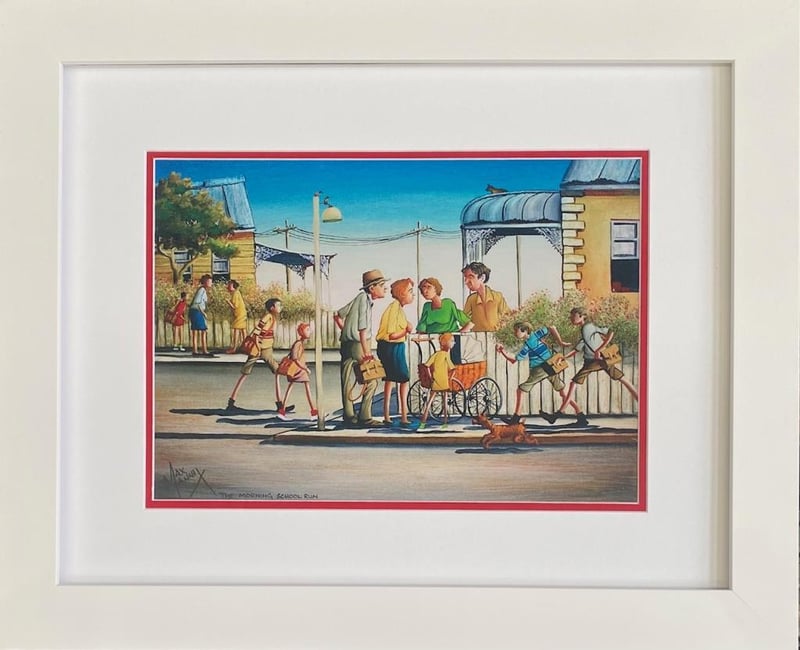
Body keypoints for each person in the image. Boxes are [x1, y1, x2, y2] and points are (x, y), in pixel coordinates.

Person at [541, 307, 639, 424]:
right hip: (593, 361)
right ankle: (570, 417)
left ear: (582, 316)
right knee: (623, 379)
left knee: (574, 384)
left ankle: (557, 415)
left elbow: (611, 331)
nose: (571, 318)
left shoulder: (588, 327)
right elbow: (578, 348)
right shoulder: (584, 330)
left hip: (598, 360)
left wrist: (600, 349)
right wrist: (564, 357)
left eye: (573, 315)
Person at [495, 321, 584, 426]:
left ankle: (516, 418)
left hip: (540, 368)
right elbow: (552, 327)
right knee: (562, 393)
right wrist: (560, 342)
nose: (515, 333)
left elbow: (513, 360)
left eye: (516, 331)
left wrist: (502, 351)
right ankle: (581, 416)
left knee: (521, 390)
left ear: (525, 331)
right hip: (552, 365)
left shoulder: (527, 345)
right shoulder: (537, 335)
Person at [333, 269, 388, 428]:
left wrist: (345, 331)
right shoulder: (364, 300)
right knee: (372, 379)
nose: (384, 288)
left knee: (346, 379)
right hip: (359, 344)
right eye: (382, 285)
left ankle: (349, 415)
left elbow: (337, 315)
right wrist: (367, 352)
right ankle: (365, 416)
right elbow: (362, 329)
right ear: (372, 288)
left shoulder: (359, 298)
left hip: (346, 344)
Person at [226, 298, 285, 412]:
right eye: (278, 305)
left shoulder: (272, 318)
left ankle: (280, 404)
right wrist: (258, 347)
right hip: (259, 349)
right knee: (247, 373)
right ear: (272, 308)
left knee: (274, 372)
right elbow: (256, 333)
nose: (280, 308)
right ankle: (280, 405)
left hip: (266, 349)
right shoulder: (267, 317)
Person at [376, 278, 415, 427]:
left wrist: (405, 328)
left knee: (389, 379)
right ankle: (403, 416)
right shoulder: (394, 308)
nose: (412, 294)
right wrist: (406, 330)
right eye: (410, 291)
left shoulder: (397, 308)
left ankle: (388, 416)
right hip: (392, 347)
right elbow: (392, 335)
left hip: (390, 347)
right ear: (402, 293)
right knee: (403, 379)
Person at [416, 332, 457, 430]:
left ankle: (423, 423)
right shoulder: (446, 355)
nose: (454, 343)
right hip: (444, 382)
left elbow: (426, 366)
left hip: (435, 381)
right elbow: (453, 369)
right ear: (446, 343)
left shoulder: (436, 354)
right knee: (444, 402)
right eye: (452, 341)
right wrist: (450, 378)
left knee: (429, 402)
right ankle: (445, 423)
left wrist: (430, 377)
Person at [277, 322, 318, 419]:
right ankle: (314, 413)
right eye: (307, 330)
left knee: (292, 387)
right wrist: (305, 368)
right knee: (305, 388)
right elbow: (295, 358)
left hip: (298, 369)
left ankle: (282, 412)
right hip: (298, 370)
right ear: (302, 332)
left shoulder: (300, 343)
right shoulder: (298, 343)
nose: (310, 332)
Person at [461, 261, 510, 332]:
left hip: (495, 336)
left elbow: (508, 317)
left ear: (482, 278)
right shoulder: (471, 299)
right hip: (477, 337)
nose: (466, 282)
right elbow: (464, 321)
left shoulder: (497, 297)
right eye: (465, 277)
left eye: (470, 277)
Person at [188, 274, 214, 357]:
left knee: (196, 331)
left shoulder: (202, 290)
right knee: (202, 330)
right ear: (205, 282)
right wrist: (203, 313)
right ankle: (203, 350)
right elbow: (197, 303)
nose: (211, 283)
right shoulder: (202, 290)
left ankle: (196, 350)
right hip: (197, 311)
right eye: (209, 281)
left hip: (195, 311)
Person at [225, 279, 247, 353]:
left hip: (239, 314)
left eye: (229, 285)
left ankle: (234, 348)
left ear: (234, 286)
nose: (228, 287)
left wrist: (228, 302)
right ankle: (245, 348)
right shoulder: (237, 293)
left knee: (236, 330)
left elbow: (235, 306)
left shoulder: (235, 293)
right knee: (243, 331)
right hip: (242, 313)